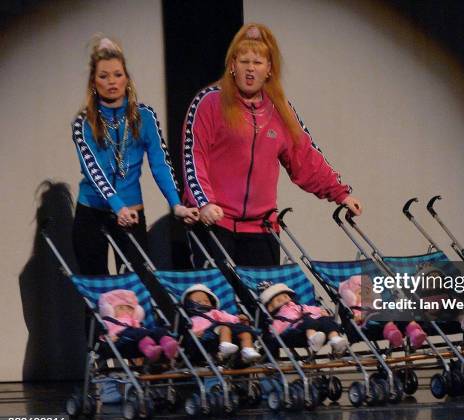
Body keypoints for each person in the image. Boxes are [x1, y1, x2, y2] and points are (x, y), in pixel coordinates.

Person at [181, 23, 363, 268]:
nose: (250, 69)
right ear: (232, 65)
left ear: (269, 70)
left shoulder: (280, 110)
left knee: (269, 302)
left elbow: (305, 156)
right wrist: (204, 203)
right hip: (215, 222)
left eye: (257, 63)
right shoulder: (209, 102)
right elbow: (194, 156)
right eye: (244, 61)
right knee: (218, 304)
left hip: (262, 228)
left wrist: (340, 193)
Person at [71, 36, 199, 276]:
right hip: (93, 212)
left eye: (118, 74)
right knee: (97, 293)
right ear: (93, 82)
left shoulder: (144, 116)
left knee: (137, 289)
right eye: (104, 76)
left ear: (127, 78)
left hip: (132, 211)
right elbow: (93, 169)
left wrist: (176, 204)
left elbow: (160, 163)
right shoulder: (83, 123)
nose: (112, 82)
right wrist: (116, 206)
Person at [339, 275, 428, 348]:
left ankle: (414, 332)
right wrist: (358, 317)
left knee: (403, 313)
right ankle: (392, 333)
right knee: (382, 316)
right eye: (360, 293)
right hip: (371, 321)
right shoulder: (355, 307)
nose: (365, 294)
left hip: (387, 317)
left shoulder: (375, 301)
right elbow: (355, 318)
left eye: (368, 290)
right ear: (351, 296)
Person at [259, 282, 348, 354]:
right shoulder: (279, 318)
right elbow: (274, 331)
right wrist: (272, 335)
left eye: (286, 297)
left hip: (318, 328)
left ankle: (335, 339)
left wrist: (321, 312)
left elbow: (311, 309)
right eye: (279, 300)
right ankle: (312, 338)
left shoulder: (300, 306)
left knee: (326, 320)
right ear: (270, 307)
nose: (284, 300)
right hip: (298, 334)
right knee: (306, 320)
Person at [182, 284, 261, 363]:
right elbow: (193, 331)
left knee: (245, 332)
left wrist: (239, 319)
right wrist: (196, 333)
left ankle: (248, 350)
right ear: (190, 305)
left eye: (206, 301)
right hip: (209, 337)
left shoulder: (216, 312)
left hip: (226, 332)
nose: (204, 303)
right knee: (224, 327)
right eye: (199, 302)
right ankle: (225, 346)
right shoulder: (194, 319)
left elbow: (230, 319)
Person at [98, 289, 178, 362]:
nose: (126, 310)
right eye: (121, 308)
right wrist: (108, 338)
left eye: (130, 308)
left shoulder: (136, 321)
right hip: (122, 340)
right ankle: (151, 350)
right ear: (110, 310)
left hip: (137, 339)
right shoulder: (108, 321)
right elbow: (102, 335)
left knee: (159, 330)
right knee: (137, 333)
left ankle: (167, 345)